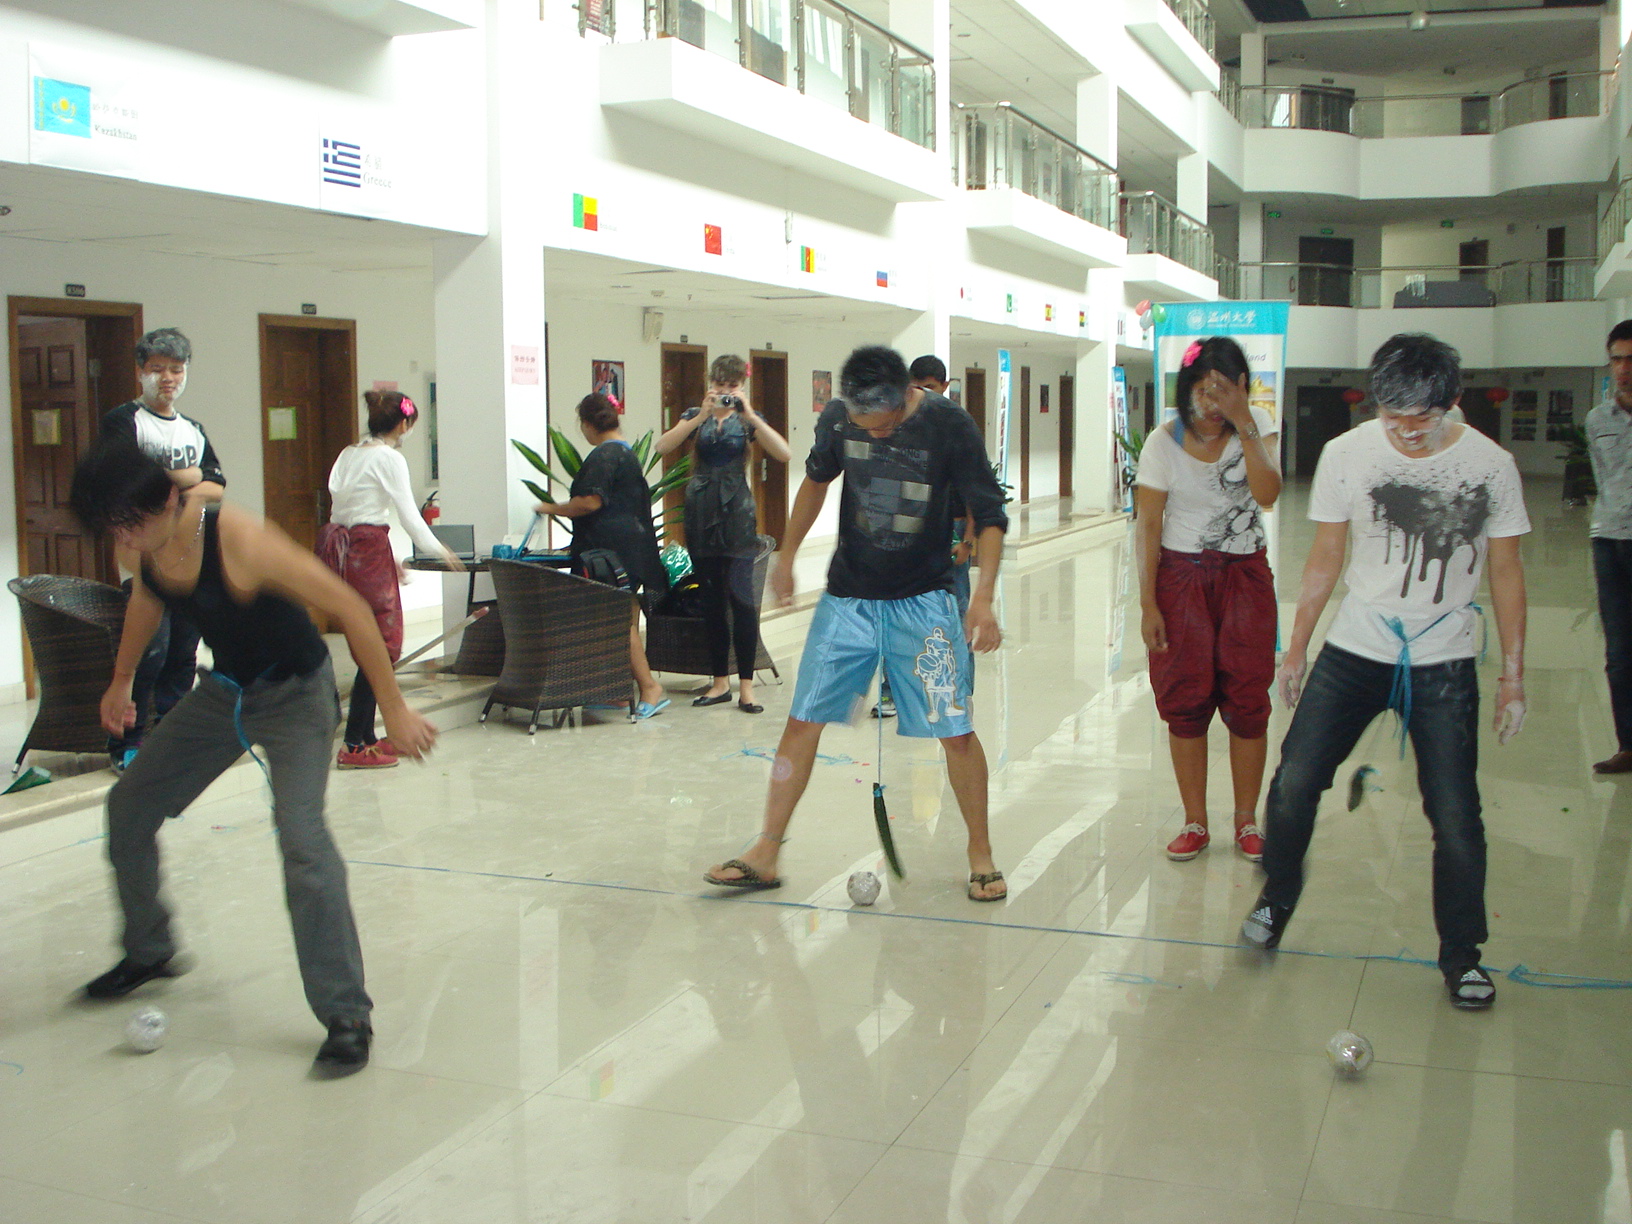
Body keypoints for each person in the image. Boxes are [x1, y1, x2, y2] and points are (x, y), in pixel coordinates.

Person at [69, 434, 440, 1074]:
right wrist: (122, 680)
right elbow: (148, 600)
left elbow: (350, 607)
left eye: (128, 524)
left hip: (296, 694)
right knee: (128, 805)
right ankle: (149, 949)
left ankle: (346, 1013)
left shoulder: (238, 538)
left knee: (302, 839)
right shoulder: (143, 543)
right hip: (226, 692)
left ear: (162, 501)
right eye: (112, 528)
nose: (122, 540)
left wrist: (394, 709)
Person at [1240, 333, 1530, 1012]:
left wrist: (1513, 676)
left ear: (1451, 403)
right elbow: (1326, 556)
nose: (1405, 431)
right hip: (1356, 648)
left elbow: (1507, 570)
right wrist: (1296, 649)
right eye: (1392, 416)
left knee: (1455, 814)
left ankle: (1462, 954)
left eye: (1421, 418)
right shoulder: (1347, 453)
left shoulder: (1492, 465)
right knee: (1295, 781)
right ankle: (1277, 897)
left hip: (1444, 657)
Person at [703, 345, 1010, 901]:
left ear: (906, 393)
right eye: (866, 426)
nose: (878, 434)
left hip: (926, 601)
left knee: (955, 732)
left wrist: (983, 598)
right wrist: (788, 557)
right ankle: (765, 851)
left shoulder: (949, 425)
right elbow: (816, 482)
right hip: (848, 600)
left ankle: (981, 853)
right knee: (802, 720)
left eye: (886, 425)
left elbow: (990, 515)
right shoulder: (839, 418)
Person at [1135, 337, 1281, 862]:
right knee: (1185, 698)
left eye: (1224, 390)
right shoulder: (1162, 442)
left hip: (1245, 577)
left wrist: (1245, 421)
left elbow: (1267, 494)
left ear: (1242, 387)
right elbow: (1148, 526)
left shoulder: (1257, 426)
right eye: (1204, 390)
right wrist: (1148, 604)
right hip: (1181, 579)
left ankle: (1247, 820)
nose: (1213, 403)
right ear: (1187, 390)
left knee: (1248, 698)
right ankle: (1195, 821)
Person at [99, 328, 226, 771]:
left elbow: (217, 486)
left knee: (182, 655)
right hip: (143, 555)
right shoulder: (123, 422)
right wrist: (188, 477)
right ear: (140, 372)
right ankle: (127, 744)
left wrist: (175, 480)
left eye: (176, 369)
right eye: (157, 369)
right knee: (148, 652)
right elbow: (128, 479)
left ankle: (172, 738)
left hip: (190, 556)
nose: (168, 378)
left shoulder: (193, 429)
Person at [319, 389, 464, 770]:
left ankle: (368, 737)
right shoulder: (389, 458)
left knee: (366, 638)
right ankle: (353, 743)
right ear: (403, 424)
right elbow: (410, 517)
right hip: (367, 549)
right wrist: (442, 552)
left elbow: (346, 511)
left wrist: (386, 557)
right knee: (380, 647)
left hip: (348, 551)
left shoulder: (349, 454)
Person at [655, 354, 792, 714]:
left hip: (737, 515)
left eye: (732, 386)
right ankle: (719, 683)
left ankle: (746, 687)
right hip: (701, 512)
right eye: (719, 385)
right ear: (709, 385)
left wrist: (750, 415)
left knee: (742, 602)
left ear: (742, 387)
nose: (725, 392)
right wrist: (699, 416)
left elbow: (784, 453)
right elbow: (662, 447)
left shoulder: (748, 420)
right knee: (711, 602)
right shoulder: (695, 416)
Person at [535, 393, 671, 719]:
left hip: (612, 555)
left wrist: (549, 508)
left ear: (586, 424)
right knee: (627, 618)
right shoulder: (626, 453)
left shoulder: (604, 455)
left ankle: (649, 687)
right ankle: (620, 692)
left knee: (619, 621)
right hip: (634, 550)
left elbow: (589, 502)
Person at [1586, 320, 1632, 774]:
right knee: (1619, 652)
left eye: (1631, 359)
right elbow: (1604, 478)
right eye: (1616, 359)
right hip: (1610, 540)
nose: (1623, 369)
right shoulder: (1597, 419)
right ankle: (1628, 745)